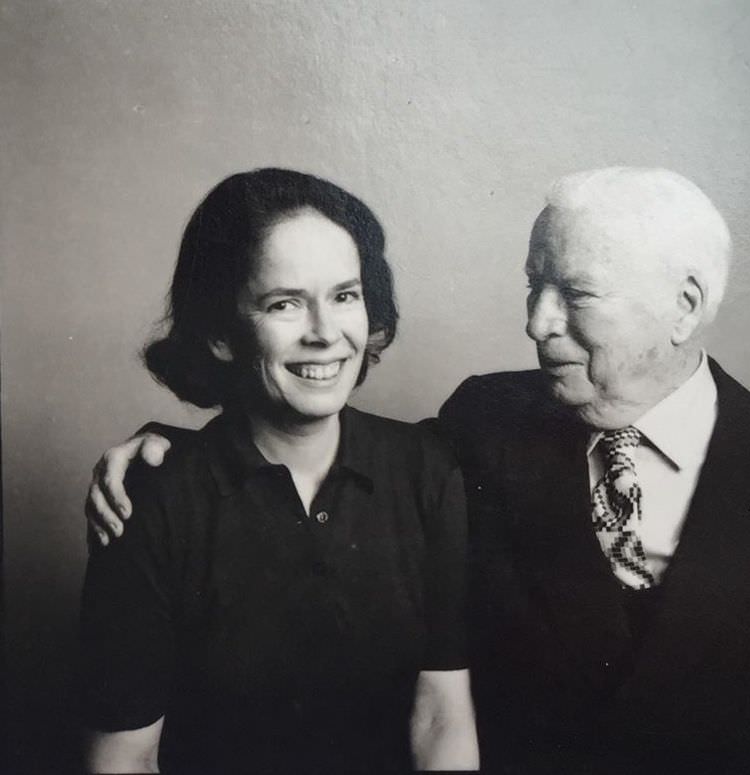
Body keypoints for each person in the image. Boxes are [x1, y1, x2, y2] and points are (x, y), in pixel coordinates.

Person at [86, 167, 750, 774]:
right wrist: (174, 451)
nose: (536, 322)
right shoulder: (483, 422)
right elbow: (306, 451)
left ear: (686, 306)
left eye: (576, 294)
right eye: (534, 286)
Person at [79, 168, 479, 774]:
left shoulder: (427, 470)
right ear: (220, 333)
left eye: (345, 295)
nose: (325, 334)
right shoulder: (152, 499)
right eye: (284, 303)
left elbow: (440, 717)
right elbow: (124, 758)